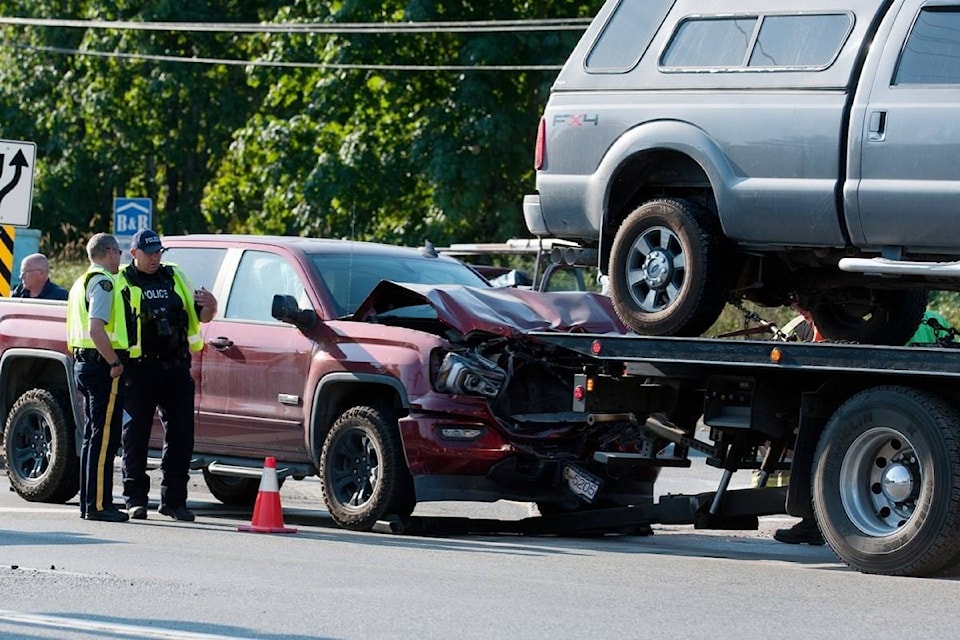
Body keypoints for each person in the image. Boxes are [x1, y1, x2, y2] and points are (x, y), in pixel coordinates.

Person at [120, 229, 217, 521]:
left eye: (158, 252)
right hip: (139, 369)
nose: (155, 258)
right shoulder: (122, 280)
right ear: (134, 253)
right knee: (135, 436)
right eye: (149, 253)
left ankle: (174, 501)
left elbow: (199, 314)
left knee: (181, 435)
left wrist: (211, 307)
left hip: (175, 367)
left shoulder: (174, 276)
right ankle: (134, 499)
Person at [66, 233, 138, 522]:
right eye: (118, 252)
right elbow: (97, 329)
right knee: (103, 438)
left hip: (85, 364)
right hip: (102, 367)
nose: (119, 258)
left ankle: (94, 501)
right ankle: (97, 506)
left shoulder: (79, 282)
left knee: (94, 438)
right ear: (109, 251)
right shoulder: (104, 282)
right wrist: (114, 362)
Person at [771, 304, 825, 545]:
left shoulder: (828, 323)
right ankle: (812, 520)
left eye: (804, 305)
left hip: (822, 400)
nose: (800, 309)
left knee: (812, 452)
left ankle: (812, 521)